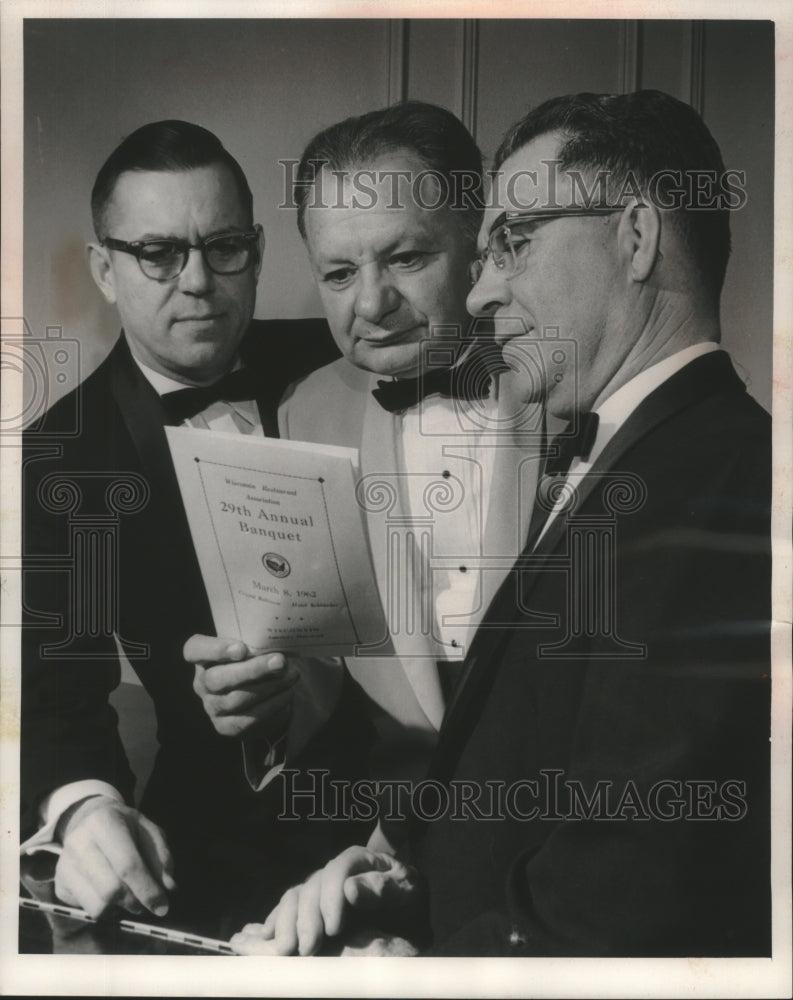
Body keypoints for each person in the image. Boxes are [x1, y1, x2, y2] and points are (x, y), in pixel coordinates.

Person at [232, 90, 772, 957]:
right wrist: (404, 877)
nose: (480, 292)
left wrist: (425, 973)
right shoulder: (640, 455)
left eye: (512, 243)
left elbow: (634, 876)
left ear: (634, 237)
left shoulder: (718, 481)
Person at [20, 119, 348, 936]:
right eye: (159, 253)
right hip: (220, 848)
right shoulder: (66, 454)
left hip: (424, 818)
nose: (198, 280)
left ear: (259, 251)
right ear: (105, 269)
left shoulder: (345, 355)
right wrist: (84, 810)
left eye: (224, 246)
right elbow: (59, 700)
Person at [186, 102, 545, 841]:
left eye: (406, 258)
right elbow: (317, 674)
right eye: (340, 273)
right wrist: (263, 702)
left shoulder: (572, 388)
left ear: (480, 246)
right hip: (394, 844)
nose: (372, 305)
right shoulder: (305, 411)